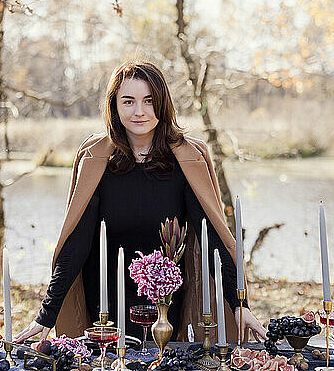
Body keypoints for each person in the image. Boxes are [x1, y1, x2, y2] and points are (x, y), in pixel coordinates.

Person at [14, 60, 267, 344]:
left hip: (165, 302)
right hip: (106, 305)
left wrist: (238, 305)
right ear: (114, 106)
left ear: (162, 103)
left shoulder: (186, 160)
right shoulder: (96, 159)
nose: (139, 111)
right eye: (128, 101)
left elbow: (213, 239)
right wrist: (46, 315)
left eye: (149, 100)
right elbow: (77, 241)